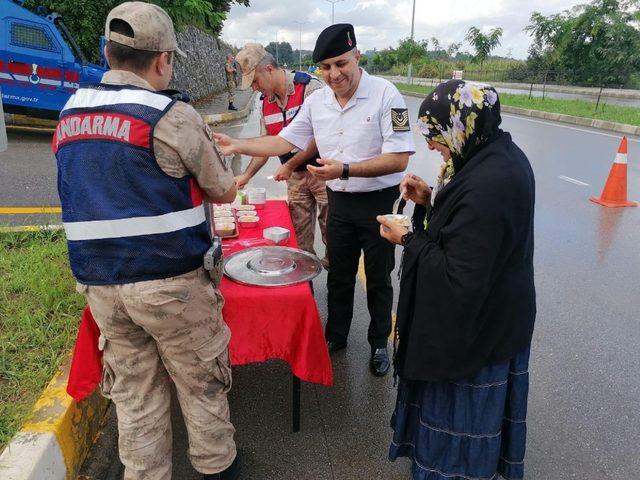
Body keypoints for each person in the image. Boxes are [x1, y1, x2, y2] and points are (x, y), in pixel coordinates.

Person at [52, 3, 239, 479]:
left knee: (135, 394)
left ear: (108, 54)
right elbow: (222, 188)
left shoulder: (70, 112)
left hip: (101, 287)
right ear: (162, 61)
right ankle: (217, 469)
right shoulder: (170, 115)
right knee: (201, 384)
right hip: (170, 284)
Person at [213, 24, 415, 377]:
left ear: (357, 57)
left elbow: (399, 159)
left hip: (378, 203)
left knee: (380, 278)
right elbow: (284, 141)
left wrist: (346, 169)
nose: (334, 74)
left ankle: (379, 342)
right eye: (326, 67)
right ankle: (336, 335)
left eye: (341, 64)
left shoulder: (386, 95)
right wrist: (238, 145)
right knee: (338, 273)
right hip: (340, 202)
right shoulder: (317, 101)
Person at [377, 80, 536, 480]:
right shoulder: (490, 157)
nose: (431, 146)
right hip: (495, 315)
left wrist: (408, 238)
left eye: (434, 135)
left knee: (459, 432)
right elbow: (468, 231)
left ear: (460, 125)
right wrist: (430, 200)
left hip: (477, 330)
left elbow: (459, 276)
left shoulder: (491, 184)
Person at [233, 43, 328, 265]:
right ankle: (305, 288)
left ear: (268, 69)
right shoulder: (266, 103)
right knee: (299, 240)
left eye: (255, 81)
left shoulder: (310, 89)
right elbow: (266, 144)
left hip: (323, 173)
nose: (255, 88)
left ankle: (337, 289)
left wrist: (288, 165)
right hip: (295, 178)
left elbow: (320, 137)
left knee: (332, 234)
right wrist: (246, 176)